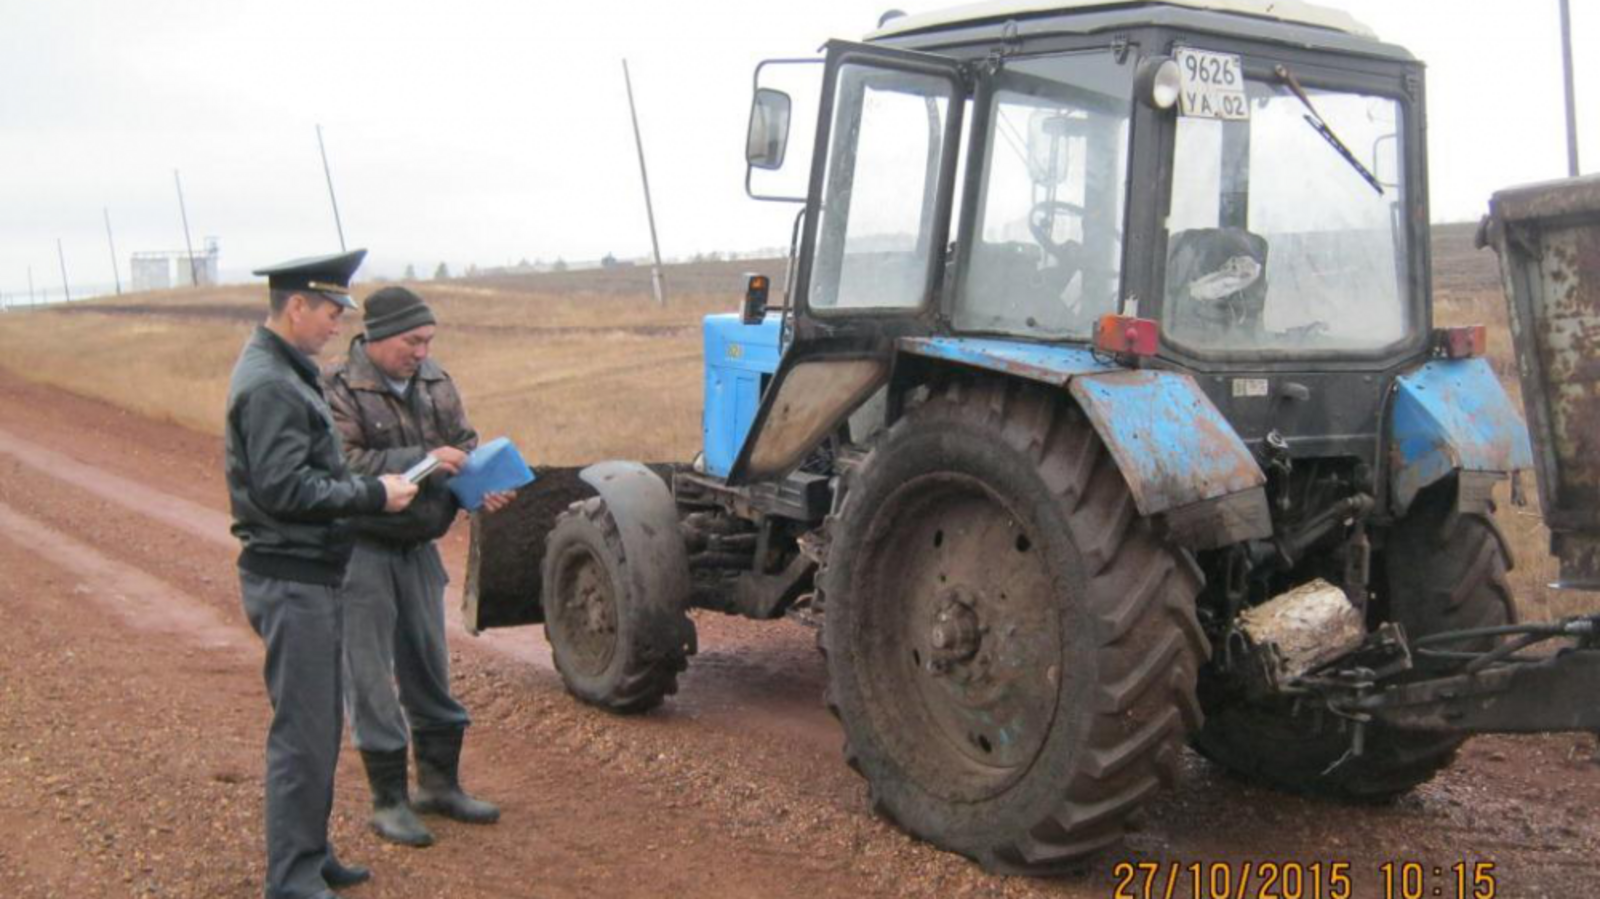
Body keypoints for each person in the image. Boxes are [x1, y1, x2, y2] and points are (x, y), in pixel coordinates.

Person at [225, 249, 419, 899]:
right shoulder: (272, 382)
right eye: (332, 311)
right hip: (292, 575)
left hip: (311, 572)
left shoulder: (289, 368)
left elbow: (308, 473)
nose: (338, 324)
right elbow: (285, 489)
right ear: (297, 306)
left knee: (319, 726)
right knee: (303, 733)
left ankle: (312, 850)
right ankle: (292, 876)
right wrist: (373, 495)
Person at [326, 286, 509, 848]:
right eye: (412, 340)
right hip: (362, 548)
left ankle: (440, 786)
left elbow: (464, 443)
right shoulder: (337, 389)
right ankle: (389, 801)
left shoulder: (436, 382)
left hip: (419, 549)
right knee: (370, 676)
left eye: (428, 340)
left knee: (430, 666)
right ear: (377, 337)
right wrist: (429, 462)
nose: (422, 352)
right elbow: (344, 465)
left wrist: (479, 486)